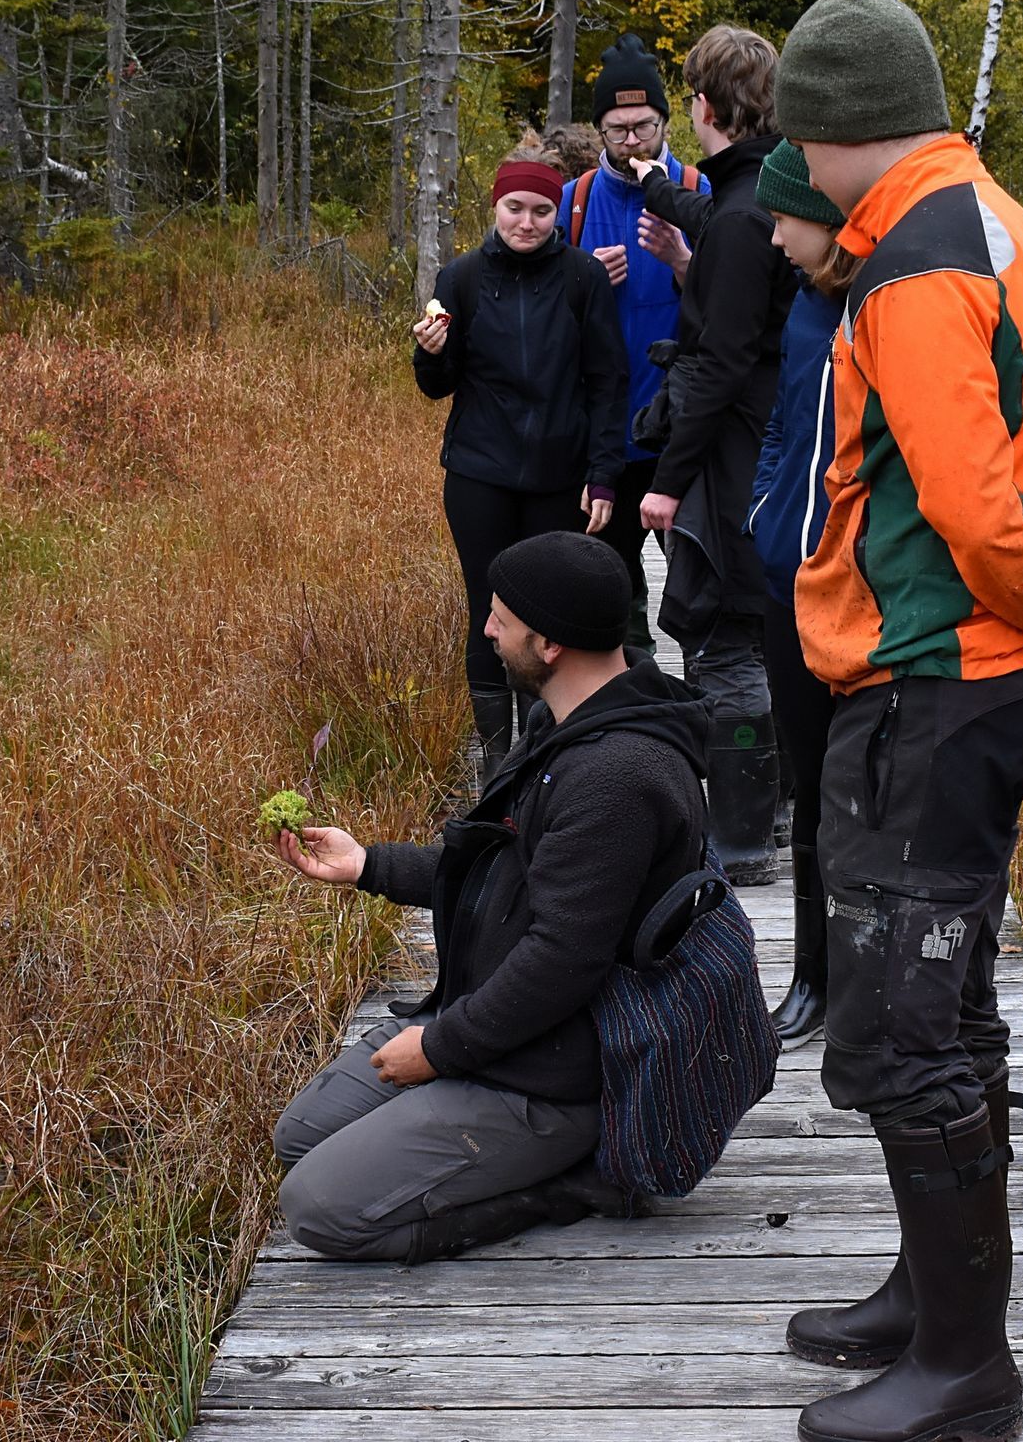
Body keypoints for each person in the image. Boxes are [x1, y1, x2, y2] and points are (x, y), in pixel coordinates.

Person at [772, 0, 1023, 1442]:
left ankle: (965, 1371)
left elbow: (988, 515)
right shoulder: (1006, 229)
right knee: (947, 986)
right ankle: (929, 1303)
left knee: (909, 1010)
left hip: (938, 681)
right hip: (988, 675)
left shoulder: (917, 265)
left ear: (825, 126)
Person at [269, 532, 713, 1262]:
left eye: (502, 617)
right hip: (506, 1028)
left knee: (319, 1210)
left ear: (550, 645)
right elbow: (500, 874)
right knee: (302, 1136)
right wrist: (368, 866)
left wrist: (439, 1050)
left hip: (559, 1073)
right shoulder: (565, 726)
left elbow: (562, 960)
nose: (487, 629)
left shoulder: (616, 778)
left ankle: (571, 1181)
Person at [629, 24, 798, 885]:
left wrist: (666, 484)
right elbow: (727, 217)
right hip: (770, 441)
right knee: (759, 635)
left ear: (702, 105)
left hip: (736, 451)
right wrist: (664, 195)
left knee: (727, 638)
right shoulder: (771, 191)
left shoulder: (738, 220)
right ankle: (766, 812)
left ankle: (741, 840)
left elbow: (719, 362)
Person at [415, 149, 629, 780]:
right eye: (515, 208)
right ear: (495, 207)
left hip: (558, 474)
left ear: (557, 213)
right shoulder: (460, 279)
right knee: (487, 607)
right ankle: (494, 764)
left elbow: (606, 381)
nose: (528, 222)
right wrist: (429, 354)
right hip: (480, 472)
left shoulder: (582, 278)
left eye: (541, 210)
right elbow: (437, 385)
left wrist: (604, 472)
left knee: (545, 615)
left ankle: (541, 757)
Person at [747, 139, 853, 1046]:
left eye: (784, 219)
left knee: (868, 787)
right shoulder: (807, 308)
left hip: (860, 591)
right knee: (809, 785)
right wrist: (762, 513)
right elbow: (785, 424)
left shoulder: (891, 306)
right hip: (786, 578)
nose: (775, 237)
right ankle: (812, 976)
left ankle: (871, 979)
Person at [559, 34, 708, 647]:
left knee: (702, 601)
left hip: (681, 435)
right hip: (604, 441)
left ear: (666, 124)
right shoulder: (575, 201)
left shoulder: (699, 191)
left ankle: (715, 726)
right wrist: (582, 280)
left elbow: (739, 305)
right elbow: (546, 314)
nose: (631, 143)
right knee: (613, 606)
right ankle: (628, 728)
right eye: (616, 131)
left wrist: (682, 262)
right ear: (598, 133)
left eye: (643, 127)